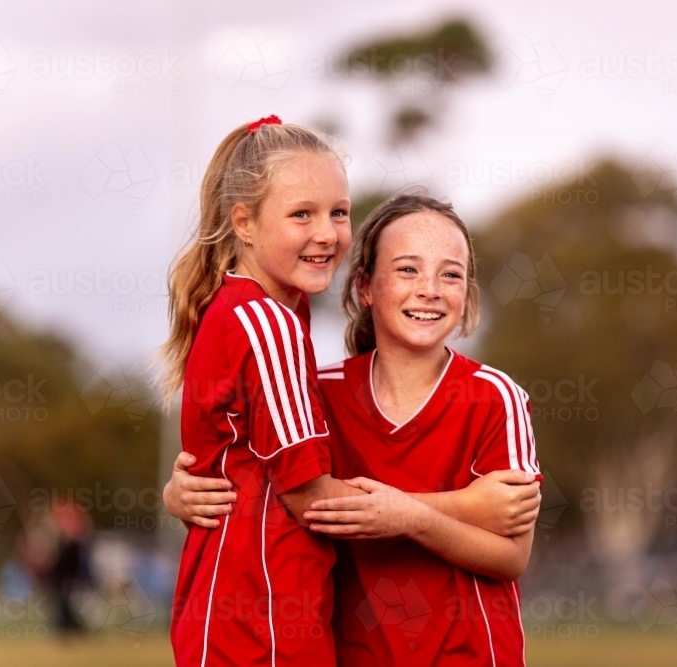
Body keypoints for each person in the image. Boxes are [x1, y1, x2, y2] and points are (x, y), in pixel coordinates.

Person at [166, 191, 542, 666]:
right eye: (407, 269)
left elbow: (512, 557)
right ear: (365, 287)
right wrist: (178, 494)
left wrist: (410, 517)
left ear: (467, 293)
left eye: (451, 274)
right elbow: (261, 495)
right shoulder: (318, 395)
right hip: (353, 653)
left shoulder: (495, 397)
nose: (430, 288)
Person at [159, 115, 363, 667]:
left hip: (253, 617)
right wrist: (460, 514)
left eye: (338, 213)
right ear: (244, 223)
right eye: (302, 214)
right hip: (259, 623)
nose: (327, 233)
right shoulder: (262, 322)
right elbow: (310, 498)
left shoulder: (253, 312)